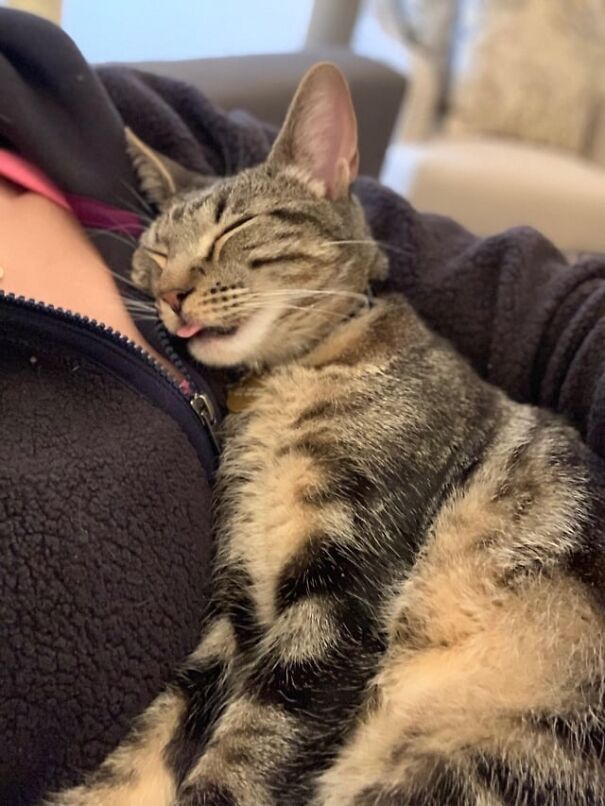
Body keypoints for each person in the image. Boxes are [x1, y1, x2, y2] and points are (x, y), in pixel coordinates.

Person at [2, 8, 605, 806]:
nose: (178, 288)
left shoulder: (387, 361)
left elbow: (331, 630)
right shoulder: (264, 405)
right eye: (160, 260)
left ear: (328, 194)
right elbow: (255, 643)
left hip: (528, 683)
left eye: (231, 241)